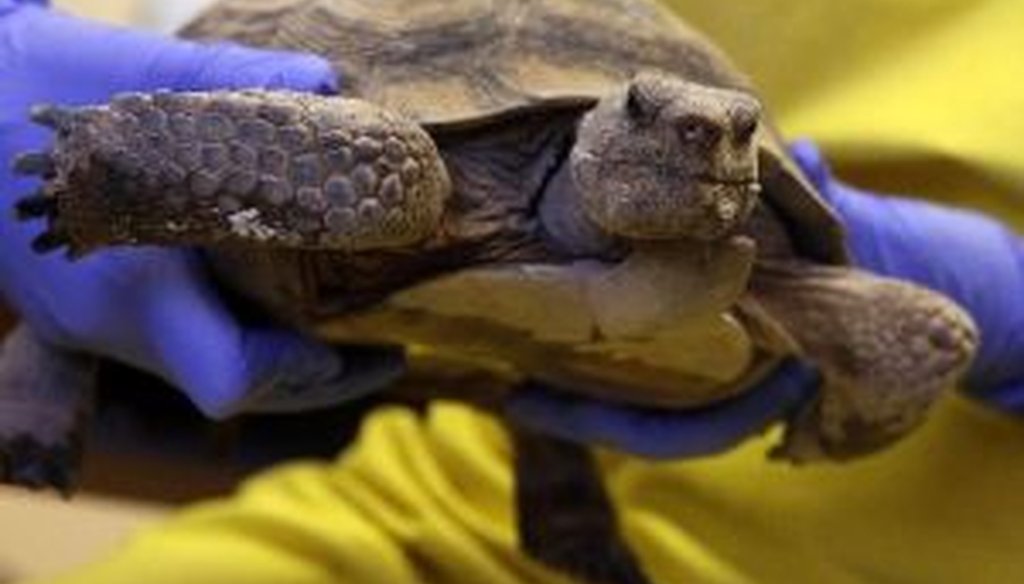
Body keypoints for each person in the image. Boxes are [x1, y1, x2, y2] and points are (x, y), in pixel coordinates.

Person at [2, 1, 1023, 583]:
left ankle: (562, 493)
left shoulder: (752, 232)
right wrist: (92, 167)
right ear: (602, 125)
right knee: (349, 191)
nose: (701, 142)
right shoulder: (405, 175)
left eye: (729, 134)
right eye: (658, 120)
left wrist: (962, 358)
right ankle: (50, 353)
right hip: (435, 494)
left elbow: (918, 333)